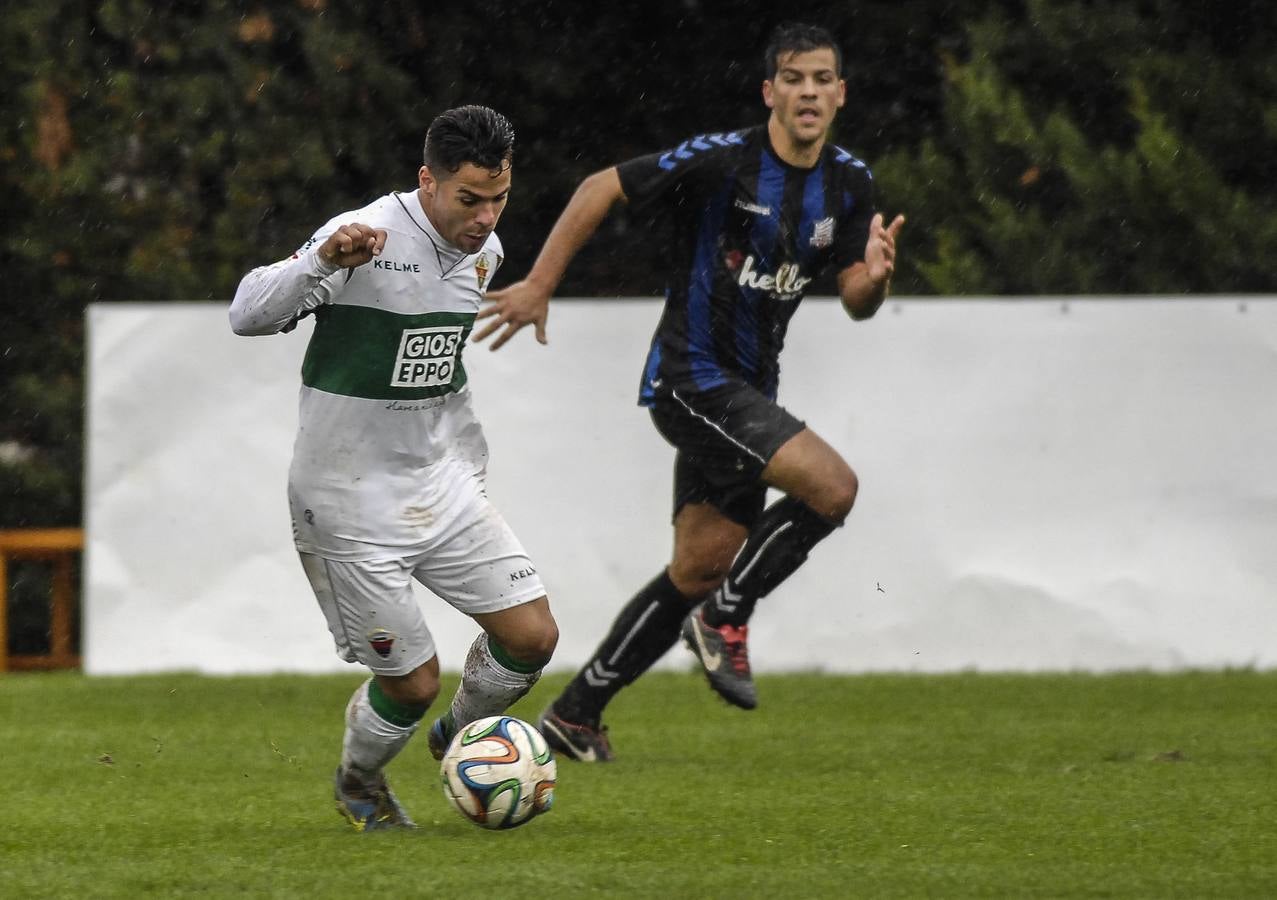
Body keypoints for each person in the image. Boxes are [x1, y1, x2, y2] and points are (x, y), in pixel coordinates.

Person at [473, 23, 904, 762]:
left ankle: (577, 715)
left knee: (699, 567)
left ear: (839, 93)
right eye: (793, 78)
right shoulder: (721, 162)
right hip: (690, 379)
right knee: (832, 489)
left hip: (747, 392)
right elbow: (598, 186)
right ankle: (728, 618)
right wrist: (541, 283)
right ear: (770, 91)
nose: (808, 91)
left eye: (821, 78)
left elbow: (854, 296)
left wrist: (876, 277)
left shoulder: (847, 184)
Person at [229, 105, 558, 828]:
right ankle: (359, 782)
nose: (484, 217)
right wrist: (320, 261)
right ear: (426, 181)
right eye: (468, 199)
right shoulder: (364, 235)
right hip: (345, 502)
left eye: (497, 198)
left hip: (438, 483)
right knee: (411, 683)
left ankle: (460, 738)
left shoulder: (486, 251)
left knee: (532, 639)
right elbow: (246, 313)